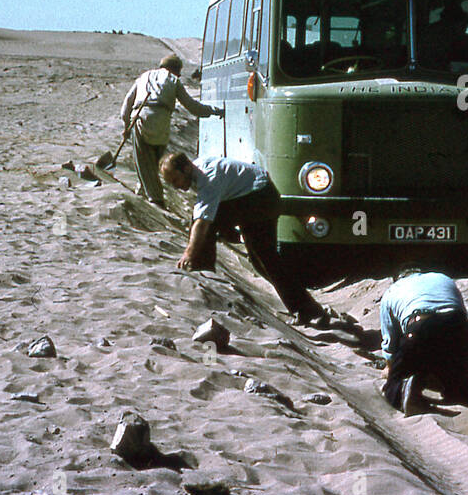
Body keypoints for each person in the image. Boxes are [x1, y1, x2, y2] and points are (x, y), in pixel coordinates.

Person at [159, 152, 325, 324]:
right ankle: (204, 277)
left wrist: (188, 253)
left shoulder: (208, 178)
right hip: (247, 196)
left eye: (175, 180)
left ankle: (309, 311)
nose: (175, 187)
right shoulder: (196, 171)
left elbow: (202, 222)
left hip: (260, 197)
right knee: (257, 260)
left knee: (265, 258)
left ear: (186, 168)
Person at [119, 55, 220, 206]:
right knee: (154, 163)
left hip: (142, 119)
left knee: (144, 163)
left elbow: (127, 103)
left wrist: (126, 125)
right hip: (162, 123)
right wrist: (213, 111)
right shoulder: (174, 80)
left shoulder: (144, 77)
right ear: (176, 70)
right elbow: (192, 106)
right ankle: (143, 190)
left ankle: (156, 200)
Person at [379, 270, 468, 415]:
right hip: (464, 330)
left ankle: (406, 393)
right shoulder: (443, 277)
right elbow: (459, 312)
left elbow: (390, 345)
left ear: (397, 279)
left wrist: (392, 370)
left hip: (421, 328)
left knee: (392, 388)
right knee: (457, 385)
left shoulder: (392, 291)